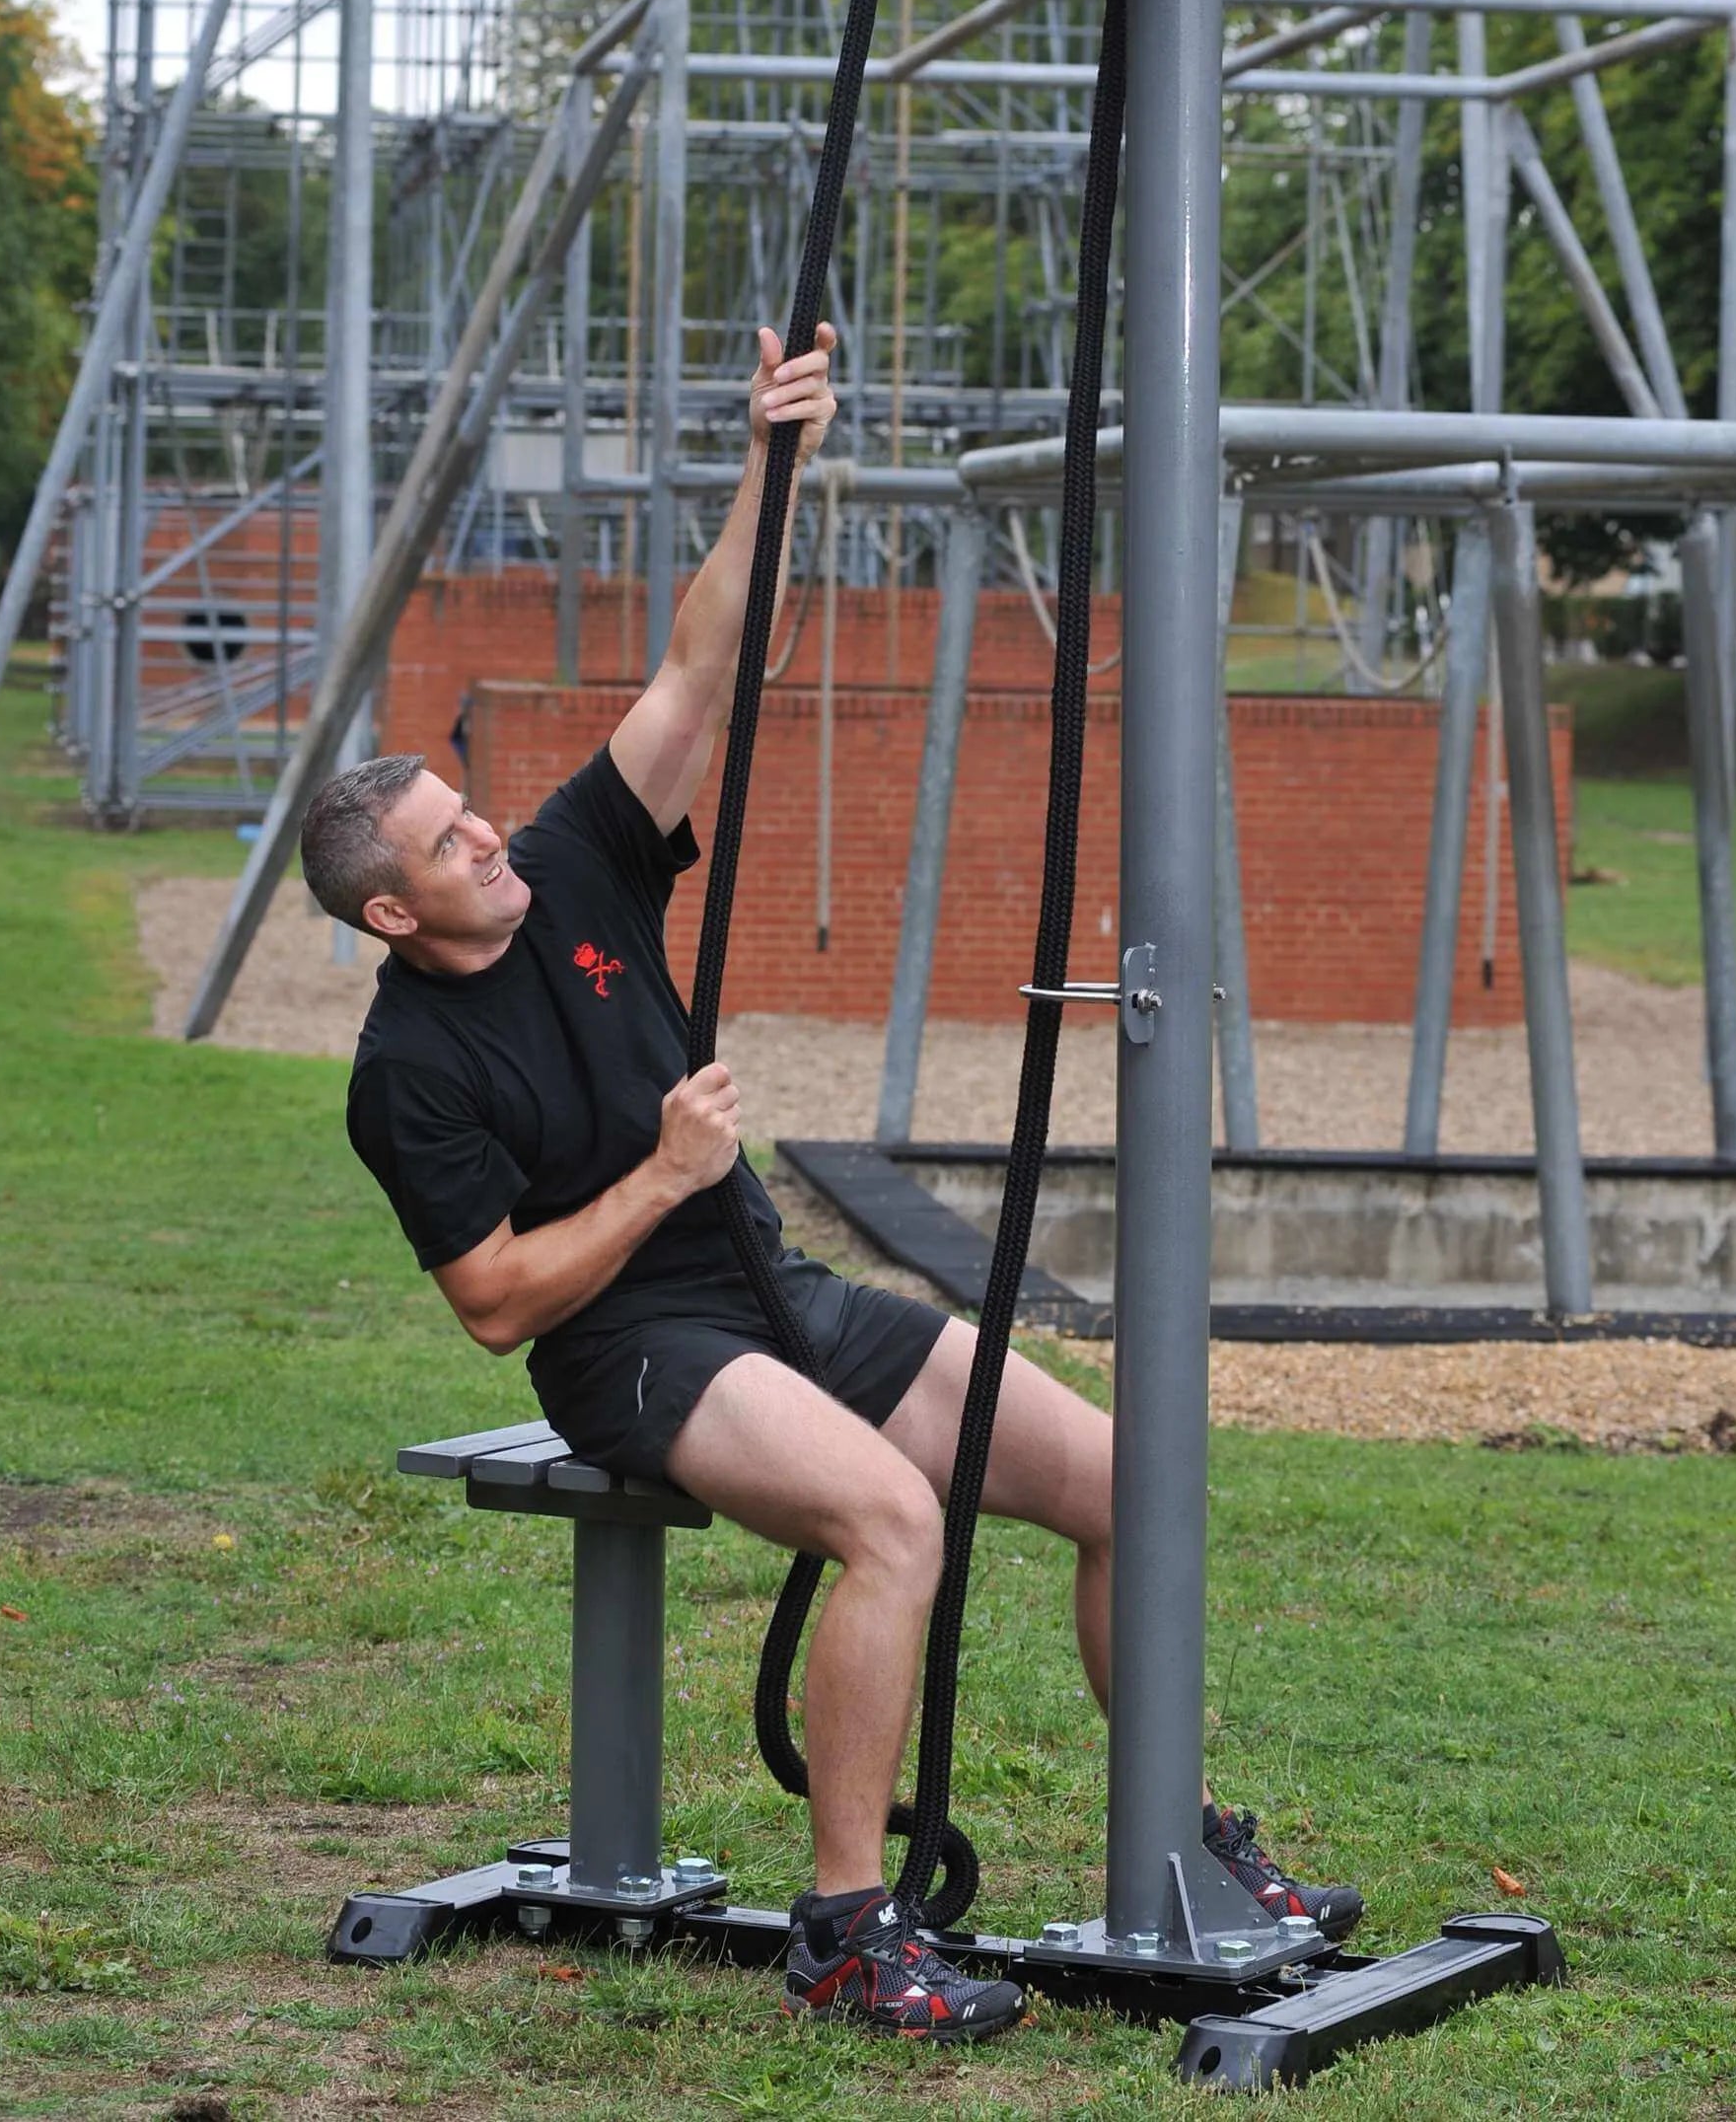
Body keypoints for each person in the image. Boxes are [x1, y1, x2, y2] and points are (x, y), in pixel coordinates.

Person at [303, 323, 1363, 2045]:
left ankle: (1182, 1839)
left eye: (472, 812)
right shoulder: (406, 1075)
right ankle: (848, 1927)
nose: (488, 836)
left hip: (776, 1296)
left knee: (1124, 1483)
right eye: (449, 845)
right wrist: (659, 1178)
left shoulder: (573, 863)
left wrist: (769, 460)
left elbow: (703, 669)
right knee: (891, 1523)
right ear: (392, 916)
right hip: (640, 1350)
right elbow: (495, 1306)